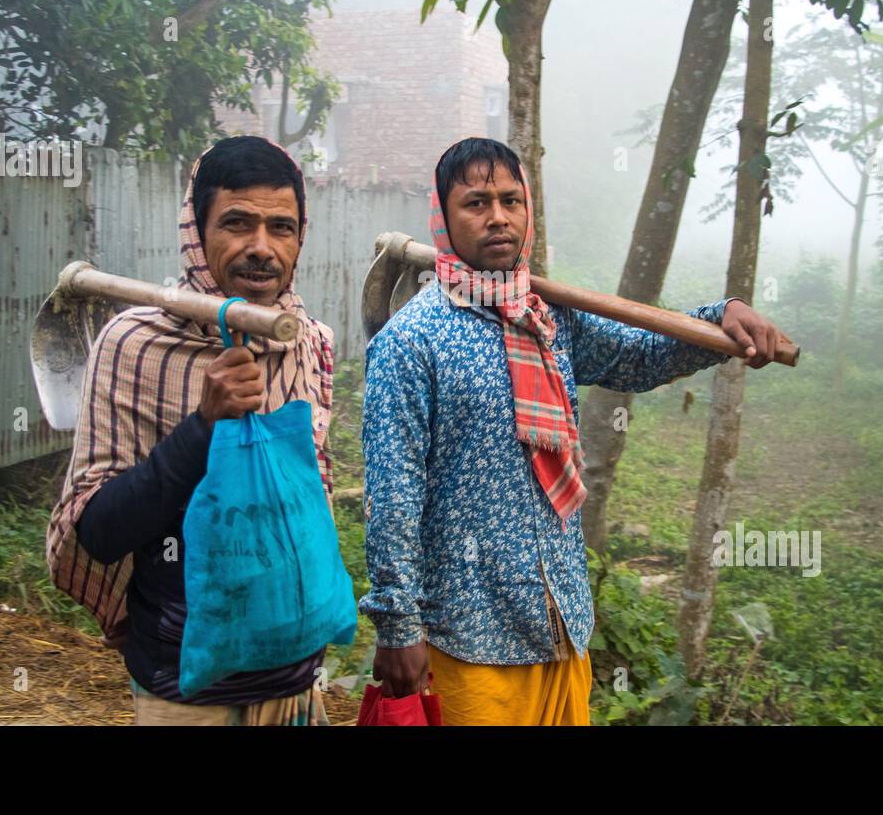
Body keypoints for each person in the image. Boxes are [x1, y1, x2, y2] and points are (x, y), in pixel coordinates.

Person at [359, 136, 782, 725]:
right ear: (443, 217)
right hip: (468, 639)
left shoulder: (548, 316)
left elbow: (640, 356)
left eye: (511, 200)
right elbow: (393, 496)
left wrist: (720, 318)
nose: (499, 217)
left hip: (561, 624)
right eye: (476, 203)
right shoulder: (411, 343)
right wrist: (398, 625)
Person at [46, 136, 336, 725]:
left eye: (281, 227)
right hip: (185, 691)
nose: (262, 248)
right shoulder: (133, 344)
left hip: (298, 678)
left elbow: (311, 506)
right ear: (196, 231)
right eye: (237, 223)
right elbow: (97, 530)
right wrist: (204, 426)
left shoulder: (308, 342)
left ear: (301, 237)